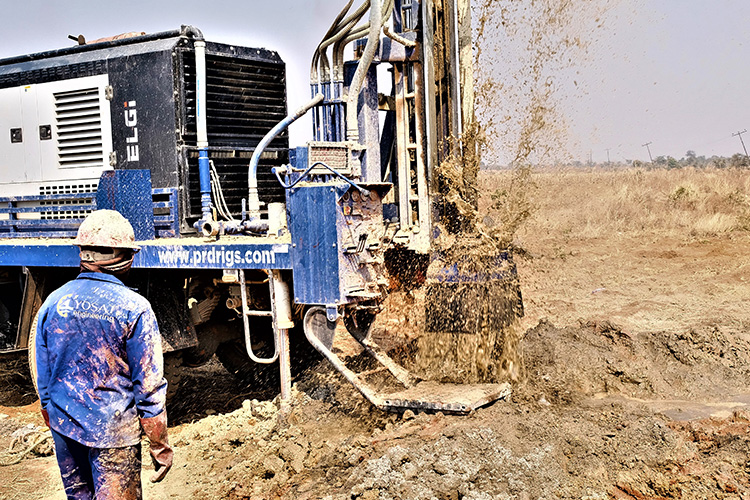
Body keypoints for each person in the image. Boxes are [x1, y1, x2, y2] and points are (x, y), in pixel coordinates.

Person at [34, 209, 173, 500]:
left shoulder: (54, 301)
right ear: (123, 256)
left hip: (65, 428)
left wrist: (52, 415)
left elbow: (43, 372)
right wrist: (159, 443)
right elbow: (148, 385)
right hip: (113, 434)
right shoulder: (134, 308)